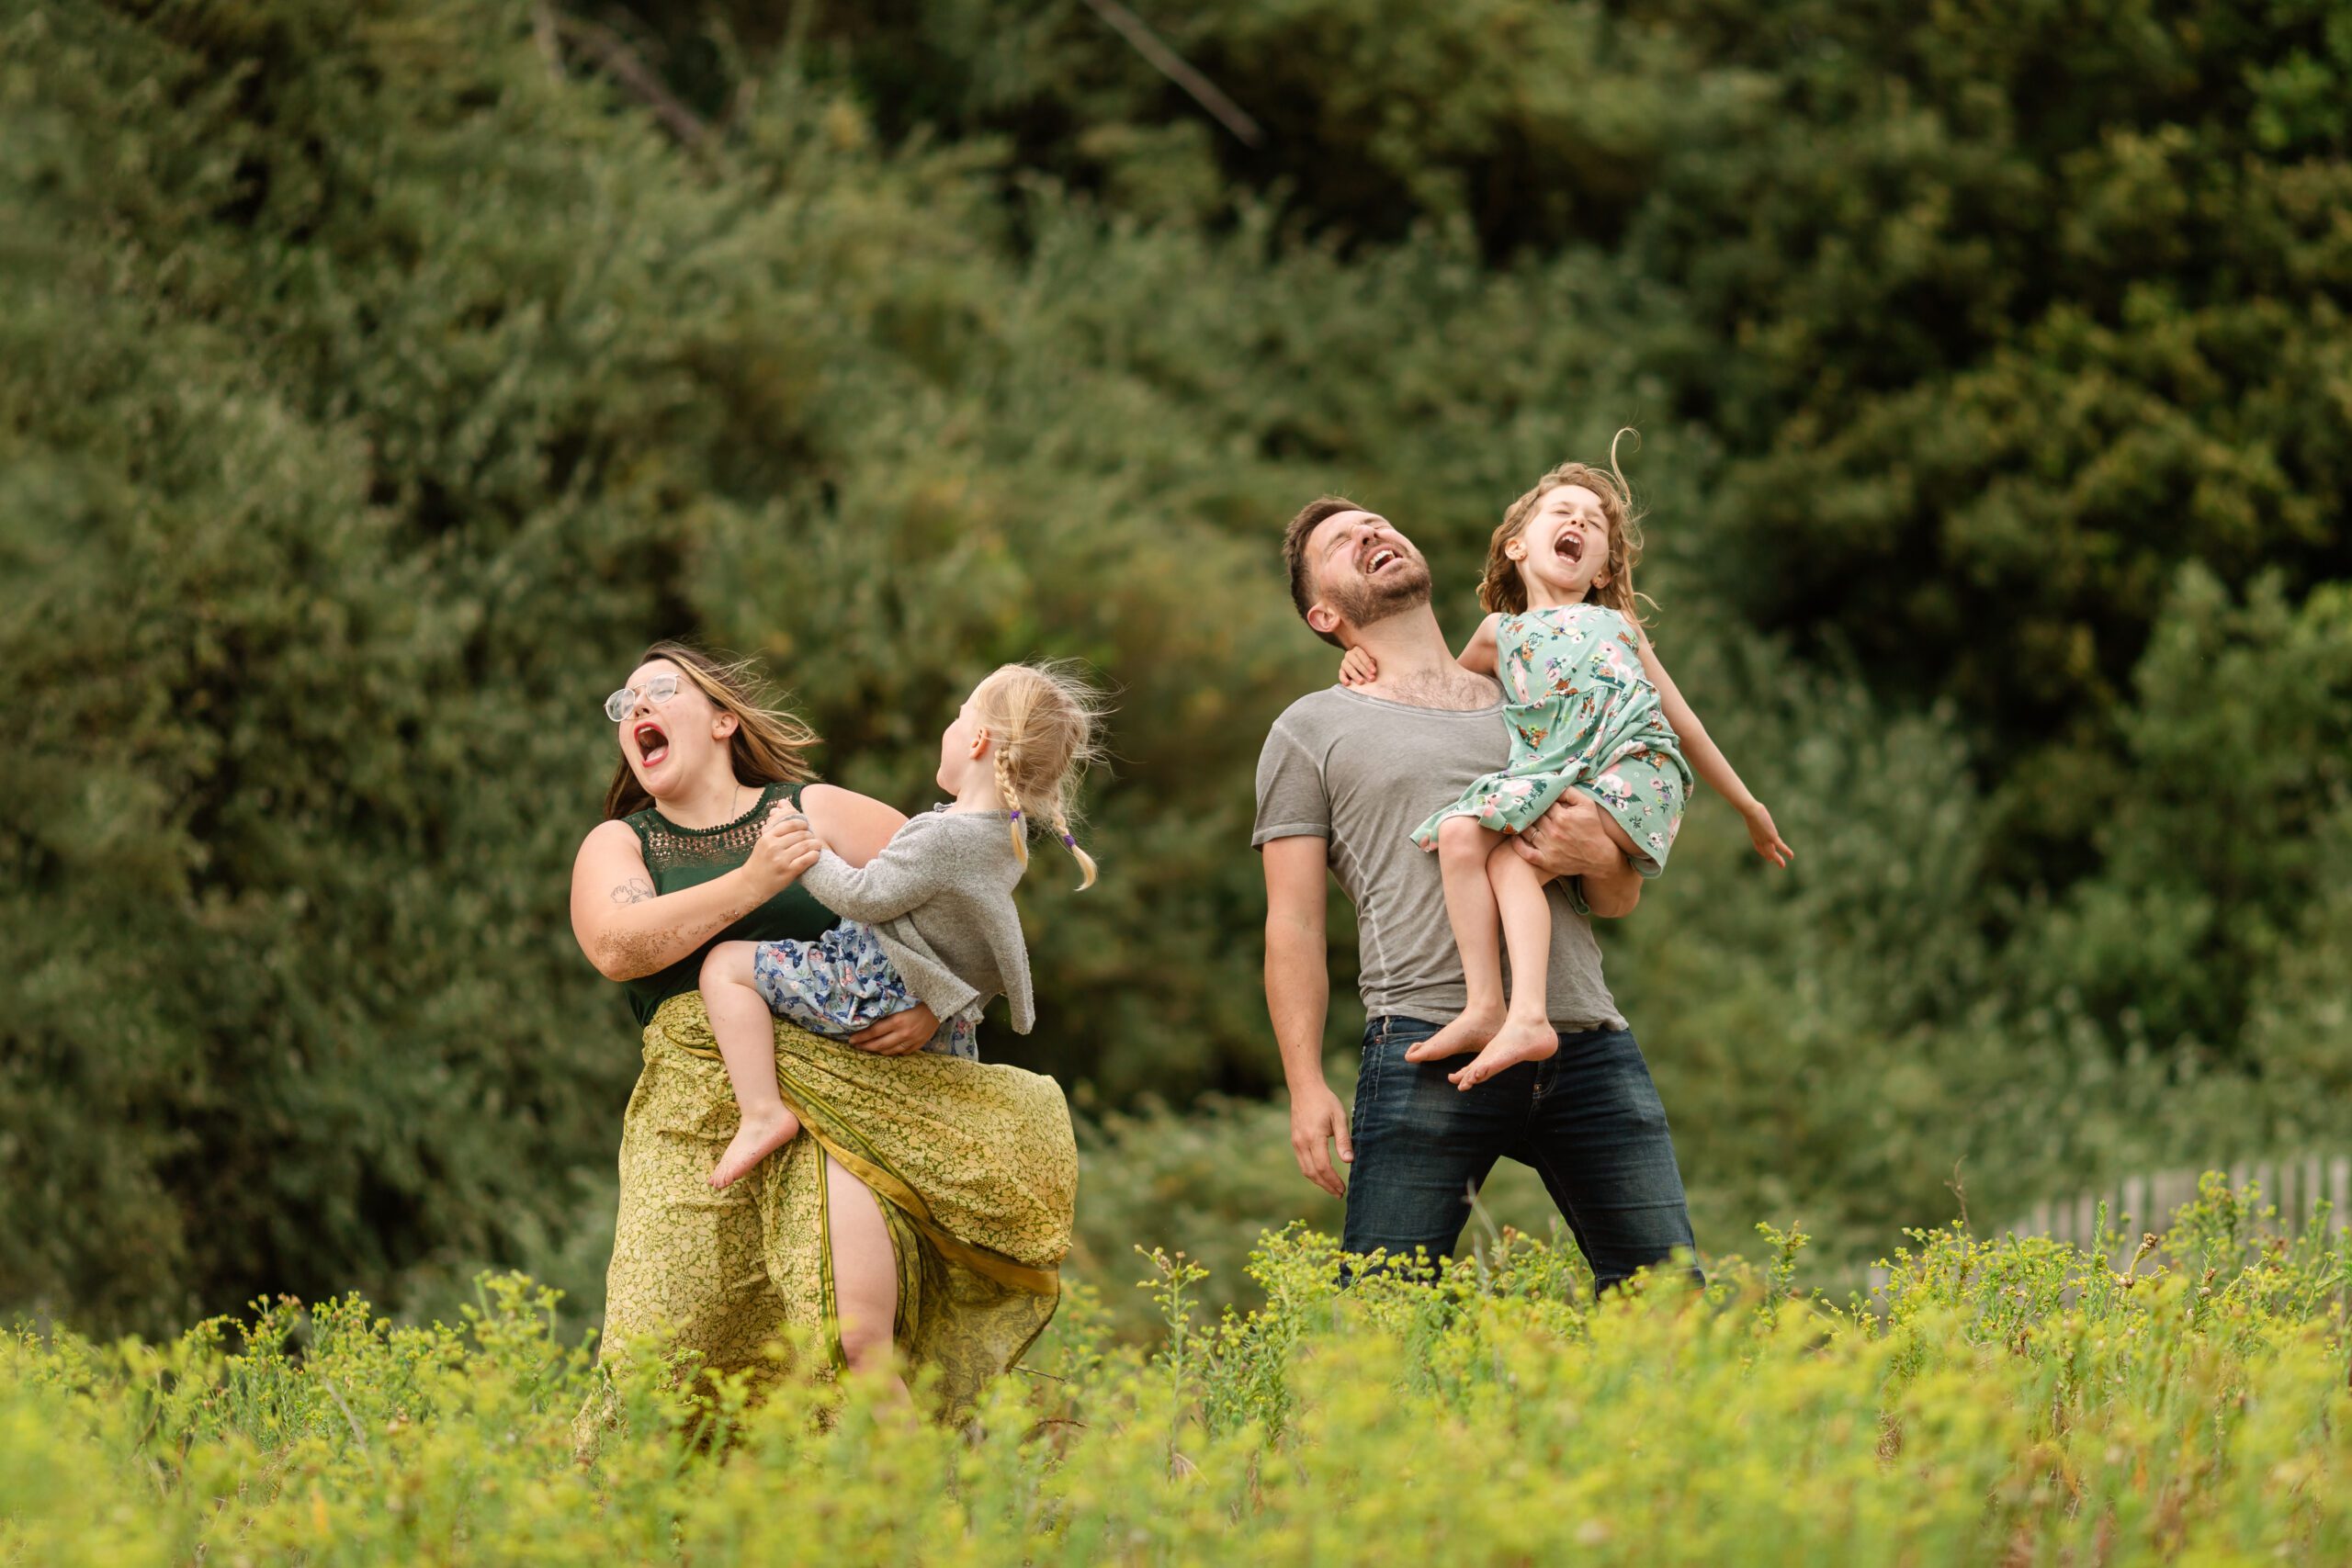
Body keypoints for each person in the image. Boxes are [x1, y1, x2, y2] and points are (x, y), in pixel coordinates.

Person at [568, 643, 1076, 1449]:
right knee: (656, 1361)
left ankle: (908, 1530)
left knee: (844, 1343)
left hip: (845, 1112)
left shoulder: (819, 807)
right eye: (620, 702)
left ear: (724, 719)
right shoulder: (621, 844)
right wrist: (754, 880)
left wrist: (940, 1011)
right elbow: (616, 947)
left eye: (658, 690)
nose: (634, 708)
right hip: (694, 1131)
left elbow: (963, 903)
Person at [1256, 494, 1702, 1291]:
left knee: (1668, 1306)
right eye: (1340, 542)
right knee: (1386, 1323)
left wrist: (1599, 849)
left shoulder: (1536, 695)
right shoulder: (1311, 727)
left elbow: (1617, 899)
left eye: (1377, 522)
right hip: (1427, 1037)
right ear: (1325, 617)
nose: (1372, 532)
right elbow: (1291, 923)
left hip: (1585, 1038)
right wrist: (1304, 1083)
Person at [1333, 437, 1790, 1090]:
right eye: (1561, 512)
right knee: (1465, 837)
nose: (1577, 522)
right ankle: (1495, 1008)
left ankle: (1522, 1013)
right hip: (1562, 778)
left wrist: (1747, 804)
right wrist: (1360, 657)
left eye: (1593, 522)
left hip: (1633, 767)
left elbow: (1683, 720)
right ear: (1518, 544)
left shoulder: (1618, 625)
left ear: (1603, 569)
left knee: (1528, 860)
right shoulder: (1499, 635)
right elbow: (1433, 691)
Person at [697, 661, 1105, 1192]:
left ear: (978, 739)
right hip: (932, 1009)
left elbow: (862, 897)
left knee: (723, 966)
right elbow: (986, 938)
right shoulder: (1005, 840)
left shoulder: (943, 839)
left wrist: (801, 848)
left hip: (871, 986)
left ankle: (761, 1114)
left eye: (960, 717)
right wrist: (944, 1005)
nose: (951, 728)